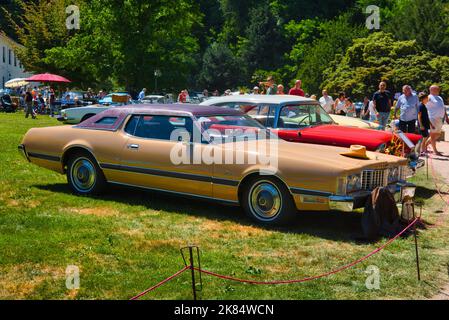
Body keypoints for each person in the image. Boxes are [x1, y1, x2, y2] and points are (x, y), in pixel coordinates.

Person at [427, 85, 449, 155]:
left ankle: (425, 144)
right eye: (437, 89)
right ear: (431, 90)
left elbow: (443, 107)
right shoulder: (429, 97)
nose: (438, 90)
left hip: (440, 118)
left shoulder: (439, 97)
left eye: (438, 89)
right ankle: (435, 151)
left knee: (438, 134)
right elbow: (422, 105)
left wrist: (446, 116)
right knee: (433, 135)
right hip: (432, 118)